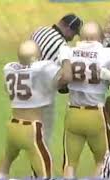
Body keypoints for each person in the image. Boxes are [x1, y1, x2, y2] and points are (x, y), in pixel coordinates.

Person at [58, 21, 110, 178]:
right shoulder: (108, 54)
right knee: (103, 161)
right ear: (99, 38)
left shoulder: (68, 52)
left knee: (70, 163)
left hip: (73, 113)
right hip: (96, 115)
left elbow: (61, 81)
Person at [0, 40, 72, 179]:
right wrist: (66, 59)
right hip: (31, 129)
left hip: (13, 126)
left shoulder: (9, 68)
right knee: (45, 172)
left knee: (5, 162)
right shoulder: (42, 68)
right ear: (37, 55)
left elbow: (9, 88)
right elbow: (66, 78)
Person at [30, 13, 83, 146]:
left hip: (25, 89)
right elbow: (64, 78)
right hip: (43, 95)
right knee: (43, 137)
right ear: (68, 28)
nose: (72, 37)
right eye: (74, 33)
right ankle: (40, 166)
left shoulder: (39, 30)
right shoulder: (62, 47)